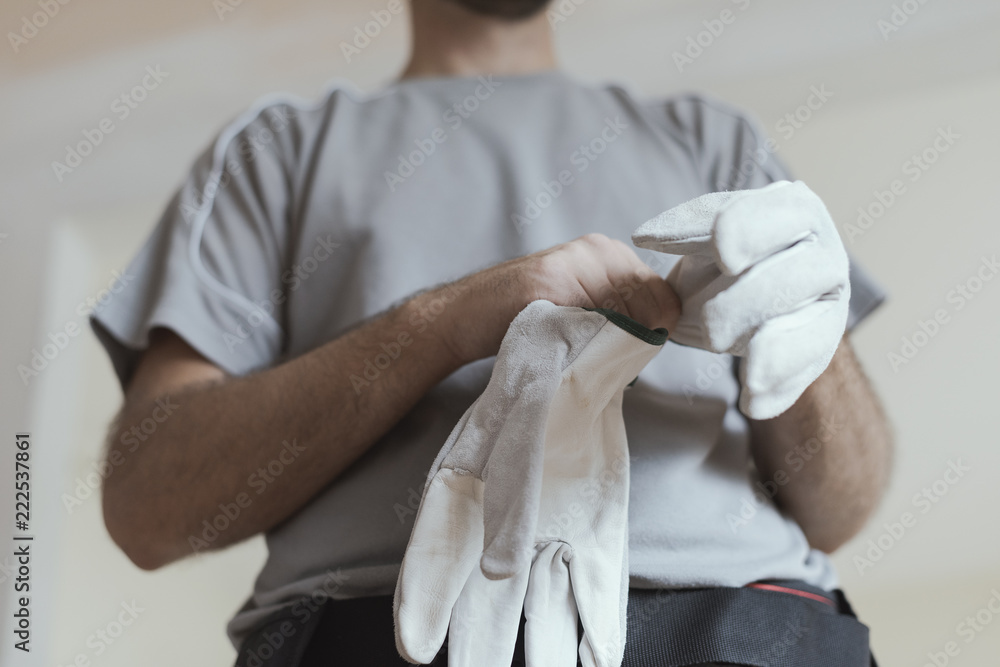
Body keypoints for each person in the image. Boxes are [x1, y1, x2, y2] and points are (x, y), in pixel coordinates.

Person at [91, 0, 893, 664]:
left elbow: (843, 505)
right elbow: (149, 502)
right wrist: (444, 324)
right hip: (393, 633)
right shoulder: (274, 156)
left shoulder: (715, 141)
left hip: (751, 632)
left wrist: (808, 337)